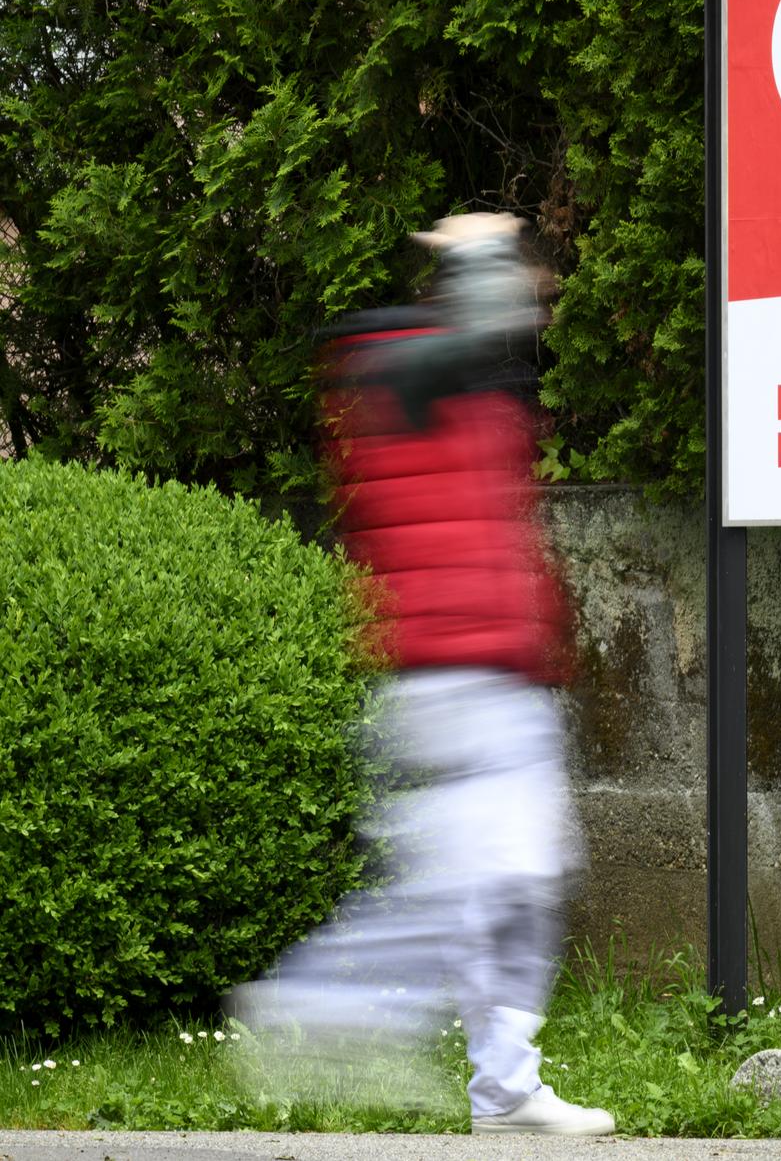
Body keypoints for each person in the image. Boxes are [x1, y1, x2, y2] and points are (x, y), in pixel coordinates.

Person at [230, 213, 614, 1136]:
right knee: (480, 885)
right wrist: (480, 244)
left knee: (507, 888)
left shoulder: (443, 390)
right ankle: (315, 1006)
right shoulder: (404, 375)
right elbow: (482, 325)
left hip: (482, 677)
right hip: (461, 679)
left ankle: (504, 1089)